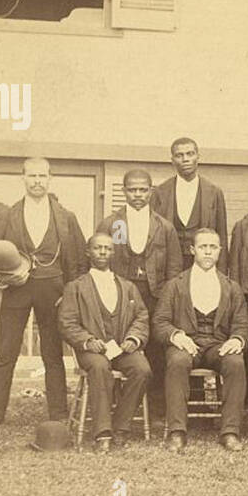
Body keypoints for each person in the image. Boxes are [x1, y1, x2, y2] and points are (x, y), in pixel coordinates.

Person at [0, 157, 88, 428]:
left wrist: (70, 293)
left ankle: (57, 413)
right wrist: (5, 277)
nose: (37, 181)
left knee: (52, 353)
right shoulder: (7, 216)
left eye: (42, 176)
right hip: (16, 290)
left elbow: (79, 261)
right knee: (6, 352)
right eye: (32, 176)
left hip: (53, 290)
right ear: (22, 178)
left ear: (50, 178)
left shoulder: (66, 217)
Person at [96, 168, 182, 421]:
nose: (137, 195)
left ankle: (156, 406)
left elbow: (174, 266)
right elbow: (99, 260)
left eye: (142, 190)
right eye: (132, 190)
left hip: (154, 292)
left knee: (156, 347)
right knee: (118, 342)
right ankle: (114, 401)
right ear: (124, 192)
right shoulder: (111, 223)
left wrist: (167, 297)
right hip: (120, 293)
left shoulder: (164, 227)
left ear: (150, 191)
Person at [154, 229, 248, 452]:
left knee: (236, 362)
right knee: (177, 362)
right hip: (186, 343)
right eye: (203, 247)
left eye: (213, 247)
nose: (208, 252)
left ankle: (230, 431)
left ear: (219, 251)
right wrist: (177, 335)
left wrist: (236, 339)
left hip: (218, 345)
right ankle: (177, 432)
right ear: (192, 250)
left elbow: (243, 325)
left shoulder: (231, 287)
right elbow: (160, 322)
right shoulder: (175, 285)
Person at [57, 233, 152, 452]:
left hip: (121, 348)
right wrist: (87, 340)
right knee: (99, 367)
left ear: (113, 252)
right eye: (98, 248)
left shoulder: (127, 286)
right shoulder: (76, 287)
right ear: (88, 252)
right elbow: (66, 323)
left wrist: (133, 338)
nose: (102, 252)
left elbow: (141, 316)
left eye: (107, 249)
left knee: (142, 369)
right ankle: (102, 432)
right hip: (92, 350)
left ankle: (120, 426)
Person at [150, 137, 229, 264]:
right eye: (179, 155)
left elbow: (222, 237)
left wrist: (221, 275)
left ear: (198, 157)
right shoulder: (160, 192)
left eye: (190, 154)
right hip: (169, 264)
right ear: (172, 161)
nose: (185, 159)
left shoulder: (214, 192)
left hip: (203, 263)